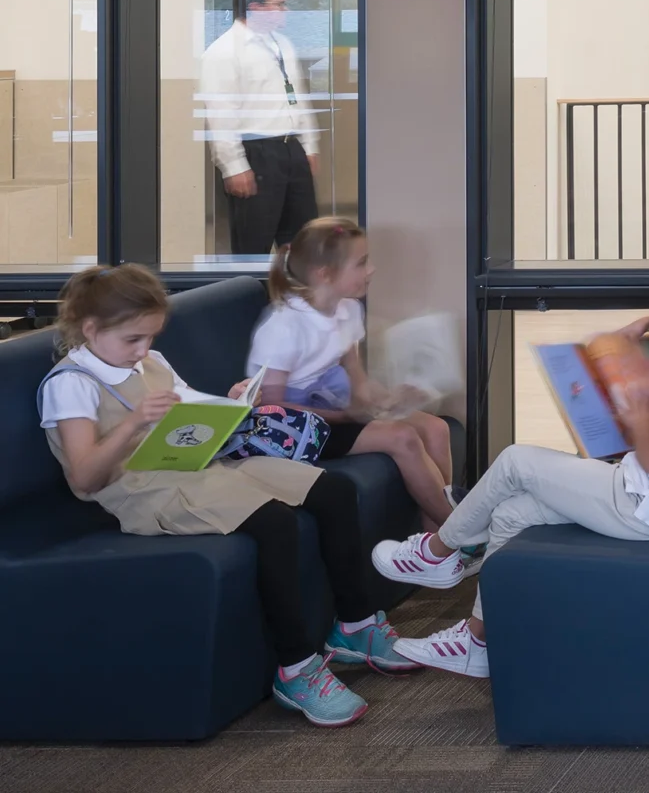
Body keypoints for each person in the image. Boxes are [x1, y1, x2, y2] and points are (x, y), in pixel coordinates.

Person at [370, 230, 649, 679]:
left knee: (515, 461)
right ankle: (477, 641)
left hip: (640, 504)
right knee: (513, 513)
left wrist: (636, 418)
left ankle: (438, 550)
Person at [37, 264, 410, 727]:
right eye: (133, 339)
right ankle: (296, 668)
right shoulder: (70, 384)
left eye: (150, 338)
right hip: (141, 491)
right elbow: (84, 479)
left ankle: (355, 627)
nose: (144, 350)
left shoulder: (148, 362)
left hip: (193, 466)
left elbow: (194, 408)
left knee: (333, 490)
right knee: (274, 523)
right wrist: (134, 422)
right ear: (90, 329)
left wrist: (233, 400)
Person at [247, 215, 455, 525]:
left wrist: (387, 400)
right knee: (402, 438)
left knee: (437, 429)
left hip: (333, 405)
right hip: (294, 423)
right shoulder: (284, 326)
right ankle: (459, 535)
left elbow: (355, 377)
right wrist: (345, 416)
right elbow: (269, 406)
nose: (371, 270)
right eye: (361, 263)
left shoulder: (348, 309)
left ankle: (434, 544)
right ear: (325, 274)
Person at [199, 0, 319, 262]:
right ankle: (254, 301)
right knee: (254, 244)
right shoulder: (224, 52)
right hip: (255, 152)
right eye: (278, 5)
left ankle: (296, 303)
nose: (284, 11)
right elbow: (220, 116)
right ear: (255, 8)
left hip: (290, 149)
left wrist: (309, 147)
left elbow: (298, 100)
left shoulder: (283, 45)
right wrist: (233, 166)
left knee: (304, 241)